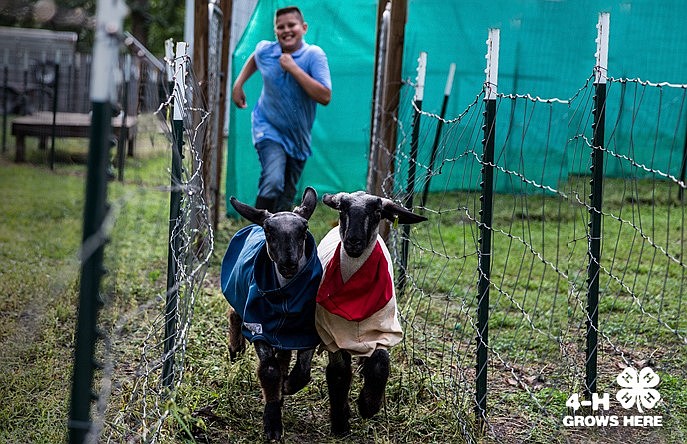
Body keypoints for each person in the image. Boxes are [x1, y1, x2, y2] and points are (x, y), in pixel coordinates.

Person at [232, 5, 332, 213]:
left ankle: (281, 235)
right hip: (266, 126)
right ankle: (256, 232)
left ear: (303, 27)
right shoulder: (268, 50)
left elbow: (324, 96)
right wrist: (238, 84)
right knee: (273, 180)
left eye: (291, 25)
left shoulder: (313, 55)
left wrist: (293, 68)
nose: (286, 30)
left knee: (287, 192)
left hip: (298, 138)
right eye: (280, 27)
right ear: (275, 31)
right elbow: (255, 56)